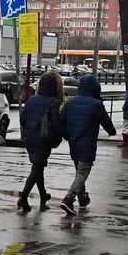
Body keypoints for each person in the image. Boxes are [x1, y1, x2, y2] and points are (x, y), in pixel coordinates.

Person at [58, 74, 117, 214]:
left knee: (79, 172)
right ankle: (68, 199)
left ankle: (82, 198)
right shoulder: (96, 105)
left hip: (73, 143)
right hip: (88, 144)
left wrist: (68, 136)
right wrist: (112, 132)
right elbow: (107, 124)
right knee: (82, 173)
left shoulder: (70, 103)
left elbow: (61, 123)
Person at [17, 73, 62, 213]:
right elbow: (55, 123)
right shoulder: (53, 102)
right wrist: (60, 135)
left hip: (29, 137)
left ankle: (43, 194)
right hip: (44, 138)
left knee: (38, 167)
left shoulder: (31, 100)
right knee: (37, 168)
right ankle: (23, 197)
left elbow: (22, 119)